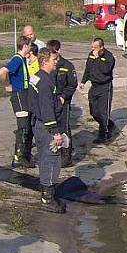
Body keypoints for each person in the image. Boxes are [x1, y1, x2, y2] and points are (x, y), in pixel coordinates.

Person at [28, 48, 66, 213]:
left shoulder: (36, 77)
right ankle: (47, 199)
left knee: (44, 158)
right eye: (54, 59)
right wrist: (55, 132)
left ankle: (46, 193)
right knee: (52, 160)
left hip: (38, 123)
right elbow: (47, 108)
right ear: (45, 61)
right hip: (46, 127)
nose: (56, 62)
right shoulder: (44, 82)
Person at [0, 36, 35, 168]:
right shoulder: (17, 59)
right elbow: (2, 71)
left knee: (27, 127)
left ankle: (24, 155)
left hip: (25, 94)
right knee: (23, 127)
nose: (31, 48)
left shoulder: (23, 59)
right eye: (30, 45)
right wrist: (7, 84)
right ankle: (18, 157)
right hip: (19, 96)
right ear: (25, 46)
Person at [80, 37, 117, 144]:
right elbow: (88, 69)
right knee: (94, 111)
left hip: (105, 87)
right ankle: (109, 125)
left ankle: (103, 135)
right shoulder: (91, 55)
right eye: (92, 47)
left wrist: (98, 59)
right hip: (94, 86)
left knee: (103, 112)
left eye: (95, 47)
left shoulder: (108, 57)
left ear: (101, 47)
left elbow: (106, 70)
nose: (93, 49)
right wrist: (83, 81)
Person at [47, 39, 78, 167]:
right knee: (51, 127)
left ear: (59, 51)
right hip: (50, 101)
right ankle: (54, 153)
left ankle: (66, 156)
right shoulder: (48, 64)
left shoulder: (67, 66)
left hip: (63, 101)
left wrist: (64, 96)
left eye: (54, 53)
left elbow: (72, 84)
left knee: (64, 128)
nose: (52, 56)